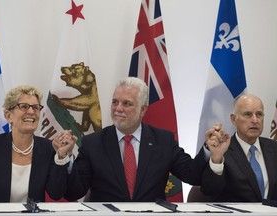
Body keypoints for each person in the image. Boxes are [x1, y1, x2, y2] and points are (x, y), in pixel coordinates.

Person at [53, 77, 211, 202]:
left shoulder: (163, 140)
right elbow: (74, 192)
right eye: (115, 102)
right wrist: (64, 158)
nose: (118, 108)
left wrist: (208, 149)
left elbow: (192, 175)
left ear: (143, 110)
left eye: (126, 103)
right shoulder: (93, 143)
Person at [0, 85, 75, 202]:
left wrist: (61, 156)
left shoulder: (48, 148)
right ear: (8, 115)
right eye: (24, 106)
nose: (31, 112)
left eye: (35, 107)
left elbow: (56, 193)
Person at [201, 94, 277, 202]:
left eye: (259, 114)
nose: (255, 120)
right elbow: (209, 190)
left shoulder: (274, 148)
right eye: (248, 114)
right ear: (233, 119)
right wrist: (216, 160)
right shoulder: (222, 150)